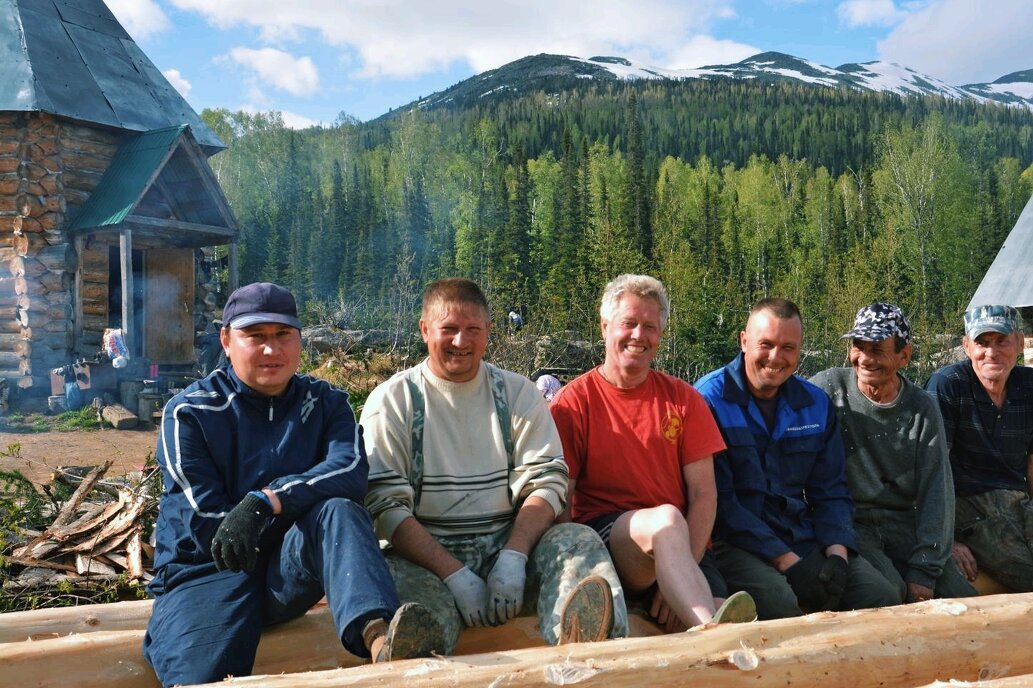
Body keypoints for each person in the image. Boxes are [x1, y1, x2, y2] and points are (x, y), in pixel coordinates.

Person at [145, 282, 406, 687]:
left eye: (283, 335)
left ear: (299, 341)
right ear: (227, 341)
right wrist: (274, 504)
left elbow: (350, 472)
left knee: (339, 511)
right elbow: (210, 521)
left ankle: (382, 642)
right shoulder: (191, 412)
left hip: (286, 569)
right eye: (256, 337)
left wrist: (267, 500)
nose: (272, 350)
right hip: (207, 572)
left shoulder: (325, 403)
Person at [361, 278, 623, 657]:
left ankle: (593, 656)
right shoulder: (392, 400)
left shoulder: (518, 394)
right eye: (448, 329)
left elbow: (548, 481)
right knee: (413, 615)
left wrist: (515, 557)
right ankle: (414, 669)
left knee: (577, 541)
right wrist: (453, 573)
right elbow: (384, 505)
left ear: (488, 332)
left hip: (508, 544)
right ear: (424, 330)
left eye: (473, 330)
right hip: (425, 558)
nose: (461, 342)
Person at [551, 274, 756, 632]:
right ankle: (710, 633)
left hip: (682, 548)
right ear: (604, 327)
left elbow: (705, 494)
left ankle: (715, 641)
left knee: (720, 606)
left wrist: (678, 574)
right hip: (611, 542)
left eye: (650, 326)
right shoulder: (573, 402)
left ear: (660, 334)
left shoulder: (684, 399)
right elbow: (561, 503)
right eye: (628, 323)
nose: (638, 336)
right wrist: (574, 574)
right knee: (667, 521)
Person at [695, 298, 901, 620]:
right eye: (766, 344)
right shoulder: (708, 400)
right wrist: (787, 562)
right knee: (781, 604)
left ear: (800, 349)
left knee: (880, 596)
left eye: (788, 347)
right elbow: (720, 503)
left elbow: (830, 489)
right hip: (735, 541)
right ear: (743, 341)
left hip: (800, 534)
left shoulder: (814, 404)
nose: (776, 358)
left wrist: (837, 553)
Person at [812, 303, 976, 603]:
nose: (864, 358)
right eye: (858, 347)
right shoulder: (827, 388)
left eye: (877, 349)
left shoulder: (921, 408)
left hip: (902, 522)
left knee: (962, 598)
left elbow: (936, 491)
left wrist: (925, 569)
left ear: (904, 356)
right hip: (851, 520)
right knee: (889, 593)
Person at [925, 304, 1033, 592]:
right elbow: (932, 469)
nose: (991, 352)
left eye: (1001, 341)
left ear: (1020, 343)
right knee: (1031, 573)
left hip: (1019, 503)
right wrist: (946, 540)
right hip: (967, 504)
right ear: (967, 347)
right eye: (982, 342)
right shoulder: (947, 385)